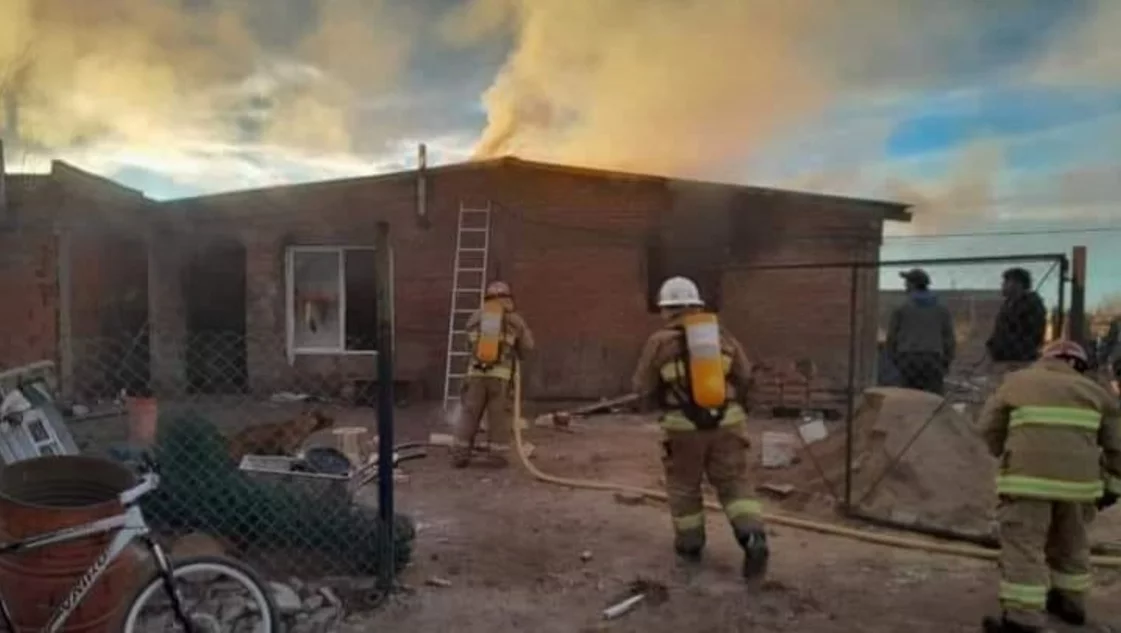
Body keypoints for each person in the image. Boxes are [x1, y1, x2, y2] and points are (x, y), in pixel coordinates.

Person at [978, 340, 1121, 632]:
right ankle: (1071, 602)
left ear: (1044, 359)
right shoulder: (1098, 394)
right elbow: (1117, 447)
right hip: (1078, 488)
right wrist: (1113, 486)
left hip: (1026, 482)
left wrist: (1003, 452)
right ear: (1080, 366)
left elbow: (989, 428)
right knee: (1071, 543)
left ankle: (1023, 618)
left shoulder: (1016, 383)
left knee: (1024, 546)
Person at [632, 276, 768, 580]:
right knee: (734, 484)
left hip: (682, 427)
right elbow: (746, 378)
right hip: (729, 421)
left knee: (685, 487)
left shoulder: (659, 342)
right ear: (697, 305)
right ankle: (753, 537)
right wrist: (740, 408)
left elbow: (642, 387)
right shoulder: (723, 336)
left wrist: (654, 403)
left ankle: (690, 546)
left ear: (667, 310)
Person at [450, 280, 535, 469]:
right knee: (498, 417)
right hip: (500, 378)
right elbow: (527, 348)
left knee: (469, 414)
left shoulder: (475, 318)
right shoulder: (514, 319)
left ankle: (460, 454)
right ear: (508, 297)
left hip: (475, 375)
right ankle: (497, 456)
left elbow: (467, 346)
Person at [885, 268, 956, 395]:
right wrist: (946, 362)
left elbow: (891, 338)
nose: (904, 286)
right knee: (933, 400)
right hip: (933, 360)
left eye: (907, 282)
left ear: (913, 285)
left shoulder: (901, 309)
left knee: (909, 398)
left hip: (908, 359)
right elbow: (949, 340)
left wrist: (895, 360)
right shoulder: (942, 310)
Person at [987, 267, 1048, 372]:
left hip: (1020, 362)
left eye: (1007, 282)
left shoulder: (1031, 305)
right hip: (1006, 360)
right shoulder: (1008, 305)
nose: (1003, 285)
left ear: (1018, 284)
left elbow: (1028, 336)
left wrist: (1003, 348)